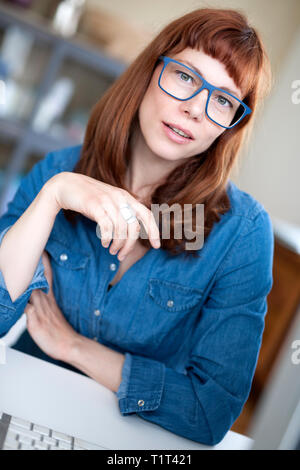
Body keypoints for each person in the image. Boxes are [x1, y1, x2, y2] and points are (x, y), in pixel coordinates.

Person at [0, 8, 274, 445]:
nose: (195, 110)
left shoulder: (241, 234)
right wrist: (54, 195)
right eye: (186, 76)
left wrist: (74, 347)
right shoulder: (58, 171)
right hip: (28, 411)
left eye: (223, 100)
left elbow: (209, 411)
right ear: (150, 70)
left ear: (229, 125)